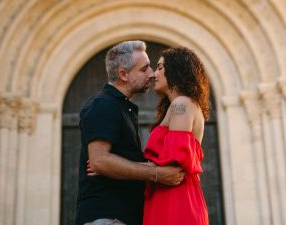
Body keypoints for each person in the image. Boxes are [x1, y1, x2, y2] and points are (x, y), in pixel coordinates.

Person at [75, 40, 185, 225]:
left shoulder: (121, 106)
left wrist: (146, 167)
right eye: (144, 69)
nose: (151, 74)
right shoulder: (103, 104)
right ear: (123, 74)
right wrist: (157, 173)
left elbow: (104, 161)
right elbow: (99, 160)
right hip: (107, 218)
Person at [143, 46, 210, 225]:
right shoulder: (179, 105)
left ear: (176, 70)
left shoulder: (182, 104)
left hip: (176, 199)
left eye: (160, 68)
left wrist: (111, 168)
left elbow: (172, 164)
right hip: (171, 196)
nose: (153, 74)